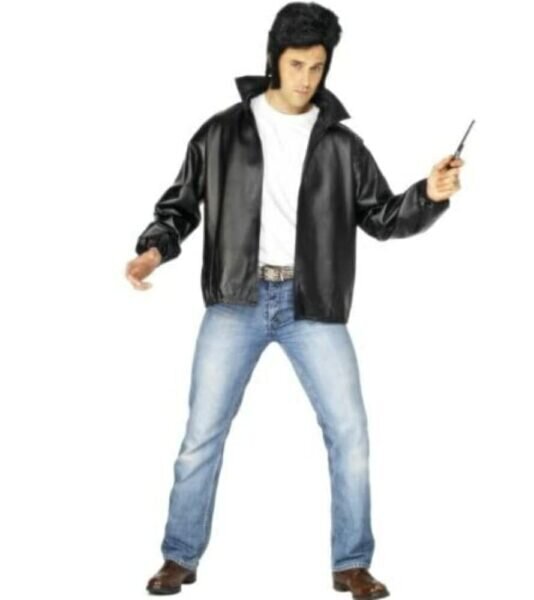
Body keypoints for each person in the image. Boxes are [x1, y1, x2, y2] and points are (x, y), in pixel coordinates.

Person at [126, 3, 464, 598]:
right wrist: (153, 250)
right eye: (296, 65)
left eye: (317, 66)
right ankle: (178, 556)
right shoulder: (221, 132)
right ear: (274, 60)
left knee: (350, 433)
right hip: (236, 299)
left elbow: (383, 218)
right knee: (201, 436)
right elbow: (179, 206)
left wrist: (430, 194)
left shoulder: (343, 145)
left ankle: (351, 564)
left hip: (313, 303)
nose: (307, 78)